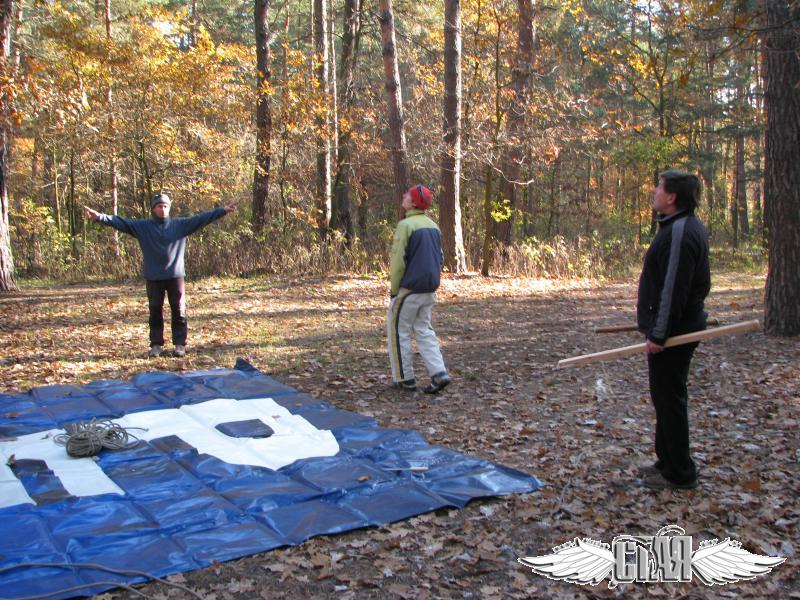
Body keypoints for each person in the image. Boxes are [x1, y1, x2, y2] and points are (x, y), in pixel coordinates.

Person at [85, 193, 236, 358]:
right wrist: (100, 217)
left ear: (169, 208)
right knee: (155, 311)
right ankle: (156, 345)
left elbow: (202, 218)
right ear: (153, 209)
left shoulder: (180, 225)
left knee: (179, 310)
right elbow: (121, 222)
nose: (162, 209)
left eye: (165, 206)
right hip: (153, 276)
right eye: (159, 206)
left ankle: (180, 345)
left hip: (175, 275)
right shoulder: (143, 227)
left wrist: (223, 210)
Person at [636, 169, 710, 490]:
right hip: (670, 328)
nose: (654, 191)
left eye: (659, 187)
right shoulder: (675, 227)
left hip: (676, 333)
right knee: (664, 398)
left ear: (672, 197)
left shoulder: (681, 230)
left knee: (670, 399)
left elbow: (674, 287)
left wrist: (659, 334)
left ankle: (680, 473)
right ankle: (666, 463)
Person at [387, 184, 451, 394]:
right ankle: (439, 373)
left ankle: (404, 378)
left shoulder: (406, 225)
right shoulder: (433, 226)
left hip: (409, 288)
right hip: (429, 288)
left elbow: (398, 262)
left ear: (413, 202)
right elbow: (439, 257)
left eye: (408, 195)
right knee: (424, 330)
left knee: (399, 331)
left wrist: (395, 290)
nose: (404, 196)